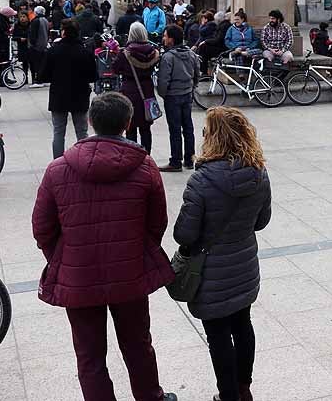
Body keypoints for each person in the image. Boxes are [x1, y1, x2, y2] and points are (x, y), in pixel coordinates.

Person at [31, 91, 178, 401]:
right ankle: (151, 396)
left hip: (79, 276)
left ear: (89, 122)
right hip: (130, 271)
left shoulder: (58, 169)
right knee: (137, 343)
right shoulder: (145, 167)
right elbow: (157, 223)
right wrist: (137, 249)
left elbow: (42, 228)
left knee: (89, 355)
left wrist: (63, 256)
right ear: (127, 123)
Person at [173, 106, 271, 401]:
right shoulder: (258, 172)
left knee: (217, 335)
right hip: (244, 268)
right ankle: (244, 388)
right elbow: (261, 222)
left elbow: (184, 234)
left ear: (212, 138)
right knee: (243, 325)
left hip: (211, 276)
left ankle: (227, 395)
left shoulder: (201, 180)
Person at [39, 19, 98, 158]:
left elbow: (42, 76)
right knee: (82, 132)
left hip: (59, 95)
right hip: (80, 95)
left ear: (63, 32)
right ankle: (83, 160)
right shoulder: (84, 51)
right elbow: (93, 76)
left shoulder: (53, 51)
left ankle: (58, 163)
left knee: (59, 132)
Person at [157, 25, 200, 172]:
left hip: (173, 96)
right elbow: (196, 74)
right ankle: (189, 159)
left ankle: (175, 160)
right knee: (188, 127)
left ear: (171, 39)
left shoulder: (168, 57)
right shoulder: (191, 54)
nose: (163, 38)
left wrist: (164, 94)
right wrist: (191, 87)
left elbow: (163, 80)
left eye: (165, 36)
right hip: (187, 93)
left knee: (175, 129)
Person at [113, 22, 161, 152]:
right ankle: (147, 156)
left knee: (131, 127)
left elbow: (115, 69)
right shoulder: (153, 52)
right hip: (147, 90)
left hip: (129, 90)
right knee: (146, 128)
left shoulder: (125, 53)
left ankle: (132, 155)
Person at [27, 5, 50, 88]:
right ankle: (43, 79)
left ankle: (38, 80)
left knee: (36, 64)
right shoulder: (46, 20)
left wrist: (32, 44)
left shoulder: (35, 21)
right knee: (42, 63)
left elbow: (33, 34)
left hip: (36, 46)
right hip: (44, 44)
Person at [12, 10, 31, 84]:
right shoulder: (17, 25)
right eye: (21, 17)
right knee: (25, 63)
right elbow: (14, 37)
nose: (22, 18)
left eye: (24, 17)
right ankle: (25, 78)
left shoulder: (30, 24)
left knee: (32, 63)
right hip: (22, 46)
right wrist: (20, 39)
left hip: (29, 46)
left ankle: (34, 78)